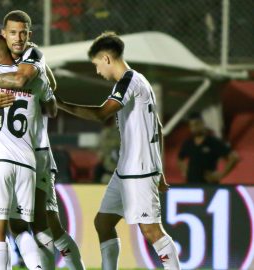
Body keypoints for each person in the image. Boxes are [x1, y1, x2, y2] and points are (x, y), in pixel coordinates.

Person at [0, 10, 85, 270]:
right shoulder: (11, 66)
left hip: (37, 153)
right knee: (19, 225)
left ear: (30, 35)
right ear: (3, 35)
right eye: (13, 33)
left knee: (44, 225)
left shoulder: (31, 57)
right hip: (25, 156)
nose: (18, 38)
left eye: (23, 33)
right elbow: (50, 103)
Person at [55, 32, 180, 270]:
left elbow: (102, 113)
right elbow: (159, 128)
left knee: (152, 230)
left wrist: (60, 104)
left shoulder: (129, 81)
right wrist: (160, 170)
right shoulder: (140, 82)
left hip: (139, 171)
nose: (97, 71)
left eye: (96, 64)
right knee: (103, 222)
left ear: (106, 58)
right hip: (127, 171)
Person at [178, 112, 239, 184]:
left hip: (209, 186)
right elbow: (180, 158)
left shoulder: (213, 142)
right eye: (191, 125)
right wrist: (185, 172)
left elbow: (234, 157)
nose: (194, 128)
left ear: (202, 123)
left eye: (196, 124)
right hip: (192, 185)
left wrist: (221, 175)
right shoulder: (188, 143)